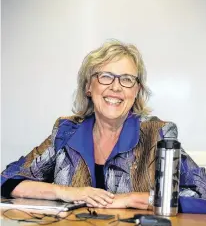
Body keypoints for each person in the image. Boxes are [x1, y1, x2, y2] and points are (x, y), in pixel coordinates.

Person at [1, 40, 206, 211]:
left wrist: (131, 199)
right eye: (106, 76)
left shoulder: (157, 133)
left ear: (136, 92)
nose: (116, 87)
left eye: (127, 79)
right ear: (89, 86)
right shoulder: (65, 131)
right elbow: (8, 180)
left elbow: (200, 193)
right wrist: (67, 192)